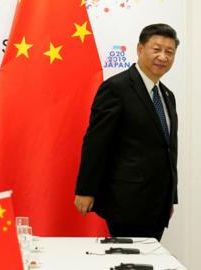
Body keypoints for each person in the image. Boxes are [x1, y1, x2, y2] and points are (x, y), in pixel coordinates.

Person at [74, 23, 179, 241]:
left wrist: (170, 198)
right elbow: (96, 142)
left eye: (169, 52)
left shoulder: (167, 95)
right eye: (156, 49)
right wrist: (86, 190)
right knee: (129, 261)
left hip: (158, 203)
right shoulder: (116, 88)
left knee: (149, 261)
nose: (163, 57)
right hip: (127, 200)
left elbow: (168, 149)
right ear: (140, 49)